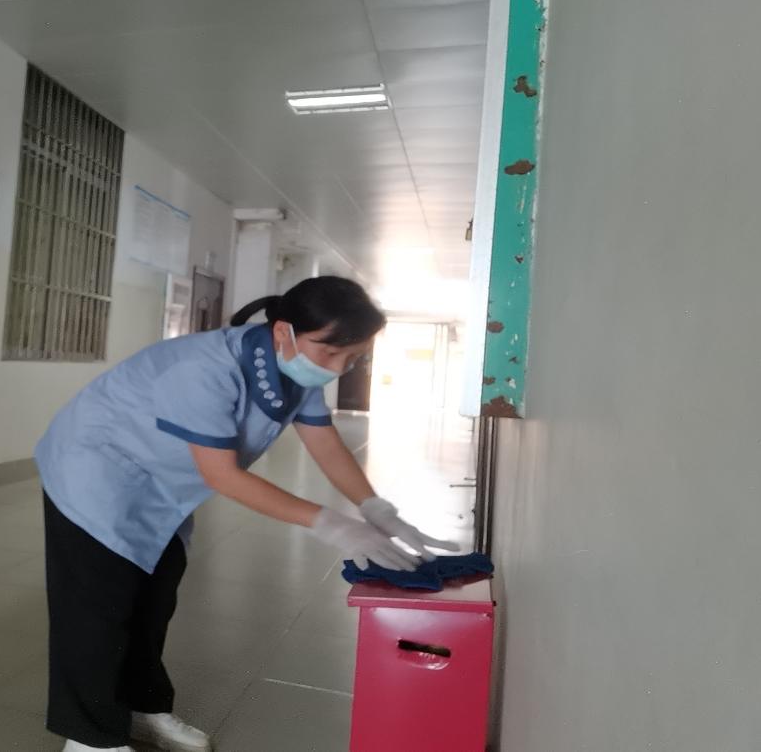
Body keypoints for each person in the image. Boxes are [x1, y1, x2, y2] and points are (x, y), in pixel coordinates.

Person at [35, 276, 458, 752]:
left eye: (353, 357)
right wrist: (331, 524)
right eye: (330, 352)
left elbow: (324, 441)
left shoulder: (295, 367)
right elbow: (224, 476)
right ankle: (89, 741)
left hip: (162, 487)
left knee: (153, 603)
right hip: (96, 471)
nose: (338, 368)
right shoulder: (203, 369)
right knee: (97, 608)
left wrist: (373, 506)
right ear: (283, 332)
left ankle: (142, 710)